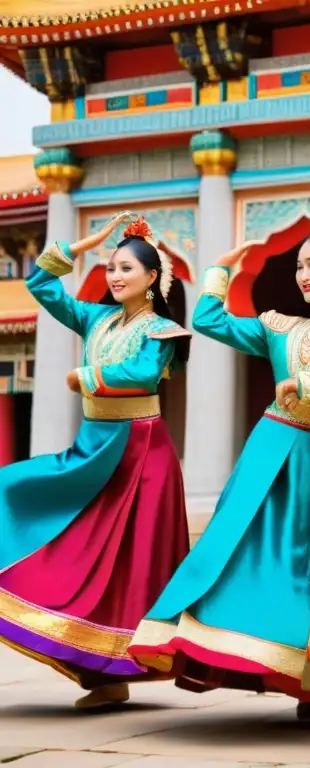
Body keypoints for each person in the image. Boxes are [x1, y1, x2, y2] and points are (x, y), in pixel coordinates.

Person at [127, 209, 310, 722]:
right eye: (299, 267)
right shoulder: (281, 329)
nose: (303, 276)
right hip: (266, 457)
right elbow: (209, 321)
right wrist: (219, 271)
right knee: (236, 554)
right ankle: (237, 649)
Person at [0, 213, 191, 709]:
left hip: (139, 454)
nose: (115, 276)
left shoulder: (163, 330)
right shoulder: (95, 318)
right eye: (109, 268)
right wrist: (82, 245)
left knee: (126, 565)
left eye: (126, 268)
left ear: (152, 278)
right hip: (93, 447)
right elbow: (42, 284)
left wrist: (87, 376)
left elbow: (144, 374)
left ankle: (111, 674)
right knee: (15, 487)